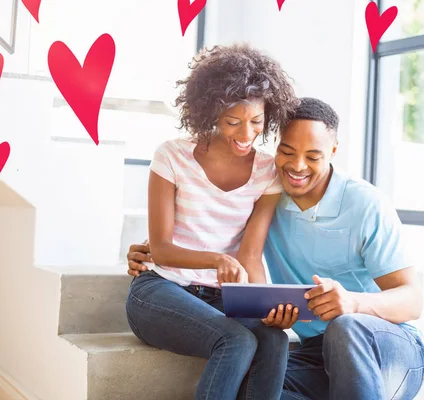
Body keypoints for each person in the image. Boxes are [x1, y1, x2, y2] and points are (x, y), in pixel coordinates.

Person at [128, 97, 424, 400]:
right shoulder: (267, 195)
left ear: (333, 151)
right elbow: (216, 230)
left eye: (313, 156)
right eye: (287, 151)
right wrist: (151, 247)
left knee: (345, 327)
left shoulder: (365, 204)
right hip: (318, 354)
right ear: (275, 144)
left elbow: (412, 301)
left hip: (385, 350)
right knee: (255, 384)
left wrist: (352, 303)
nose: (298, 166)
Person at [125, 43, 299, 400]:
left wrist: (265, 305)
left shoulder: (267, 171)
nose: (246, 134)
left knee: (274, 341)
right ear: (210, 113)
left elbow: (250, 255)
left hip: (226, 299)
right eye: (233, 122)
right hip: (162, 291)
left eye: (256, 122)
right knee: (234, 341)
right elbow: (161, 249)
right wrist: (217, 259)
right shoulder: (172, 156)